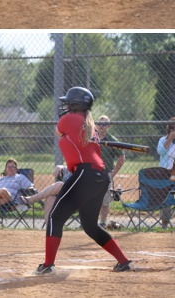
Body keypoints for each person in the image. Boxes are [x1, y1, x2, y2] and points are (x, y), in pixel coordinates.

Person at [33, 86, 132, 276]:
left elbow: (58, 132)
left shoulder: (70, 119)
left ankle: (48, 265)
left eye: (69, 103)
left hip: (85, 174)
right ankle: (124, 261)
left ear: (77, 105)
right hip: (100, 176)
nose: (65, 106)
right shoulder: (89, 125)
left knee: (55, 217)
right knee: (90, 225)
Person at [95, 115, 125, 227]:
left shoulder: (112, 140)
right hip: (92, 173)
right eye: (99, 123)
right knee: (91, 200)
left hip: (105, 174)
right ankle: (90, 223)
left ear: (108, 126)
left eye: (104, 124)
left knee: (104, 201)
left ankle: (102, 223)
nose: (101, 126)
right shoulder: (92, 138)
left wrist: (111, 175)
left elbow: (122, 158)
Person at [156, 116, 175, 227]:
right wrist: (170, 139)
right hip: (164, 173)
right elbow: (160, 152)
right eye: (172, 127)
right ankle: (164, 223)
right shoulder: (163, 140)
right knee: (166, 196)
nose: (173, 130)